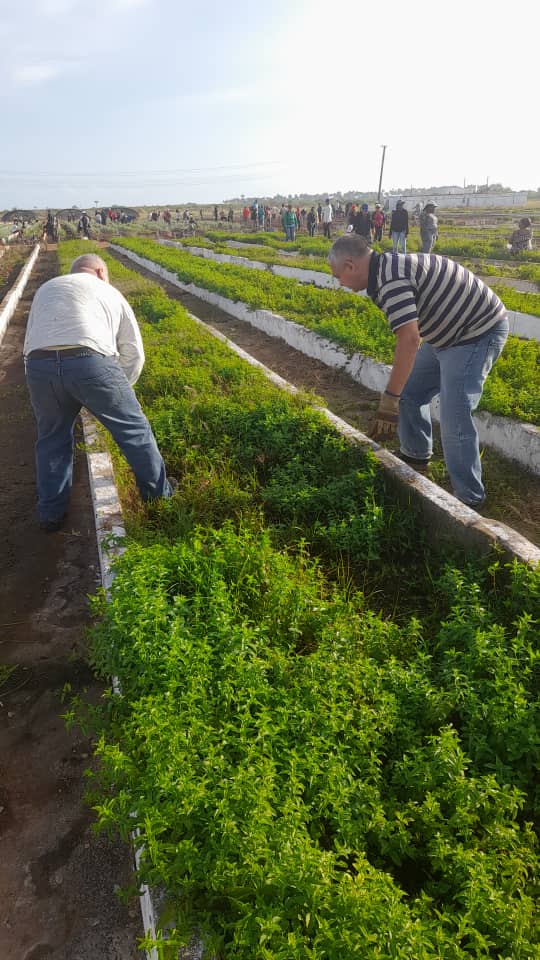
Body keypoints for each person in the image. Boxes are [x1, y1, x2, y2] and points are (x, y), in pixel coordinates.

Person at [328, 234, 509, 508]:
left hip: (476, 332)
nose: (340, 283)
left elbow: (410, 339)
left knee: (454, 415)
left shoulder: (389, 279)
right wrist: (396, 394)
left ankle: (469, 500)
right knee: (410, 392)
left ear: (350, 266)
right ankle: (416, 458)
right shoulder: (383, 271)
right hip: (446, 334)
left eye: (338, 276)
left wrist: (390, 398)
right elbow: (411, 334)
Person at [23, 253, 176, 532]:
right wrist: (117, 392)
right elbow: (133, 352)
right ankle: (159, 498)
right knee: (134, 431)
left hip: (39, 365)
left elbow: (31, 339)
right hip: (89, 360)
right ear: (101, 272)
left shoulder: (47, 288)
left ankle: (50, 515)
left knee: (52, 438)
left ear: (73, 272)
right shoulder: (108, 291)